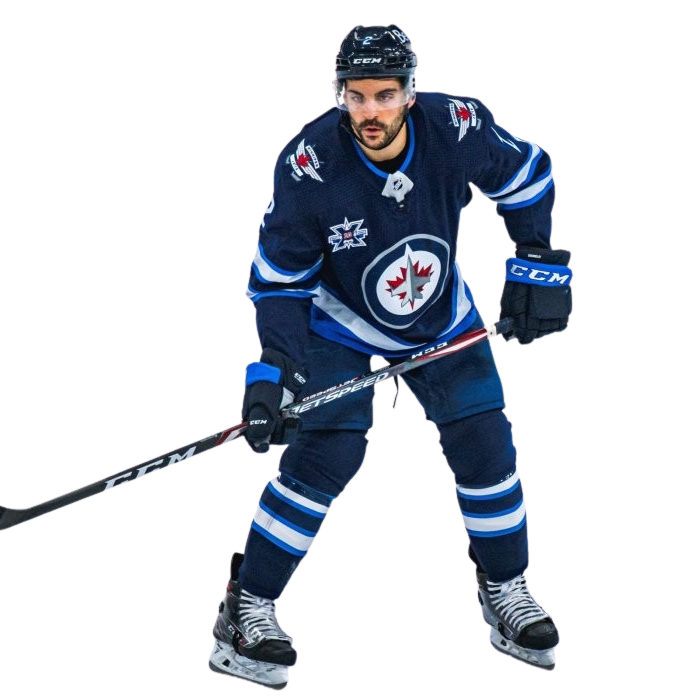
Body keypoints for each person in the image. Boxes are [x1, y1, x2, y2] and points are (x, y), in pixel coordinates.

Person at [208, 24, 572, 689]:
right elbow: (279, 282)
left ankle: (506, 587)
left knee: (486, 443)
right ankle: (247, 605)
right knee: (328, 454)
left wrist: (538, 262)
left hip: (440, 318)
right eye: (356, 96)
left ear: (409, 91)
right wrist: (274, 373)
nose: (369, 111)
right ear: (338, 93)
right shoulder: (308, 165)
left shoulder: (456, 126)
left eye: (384, 95)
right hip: (338, 328)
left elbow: (526, 174)